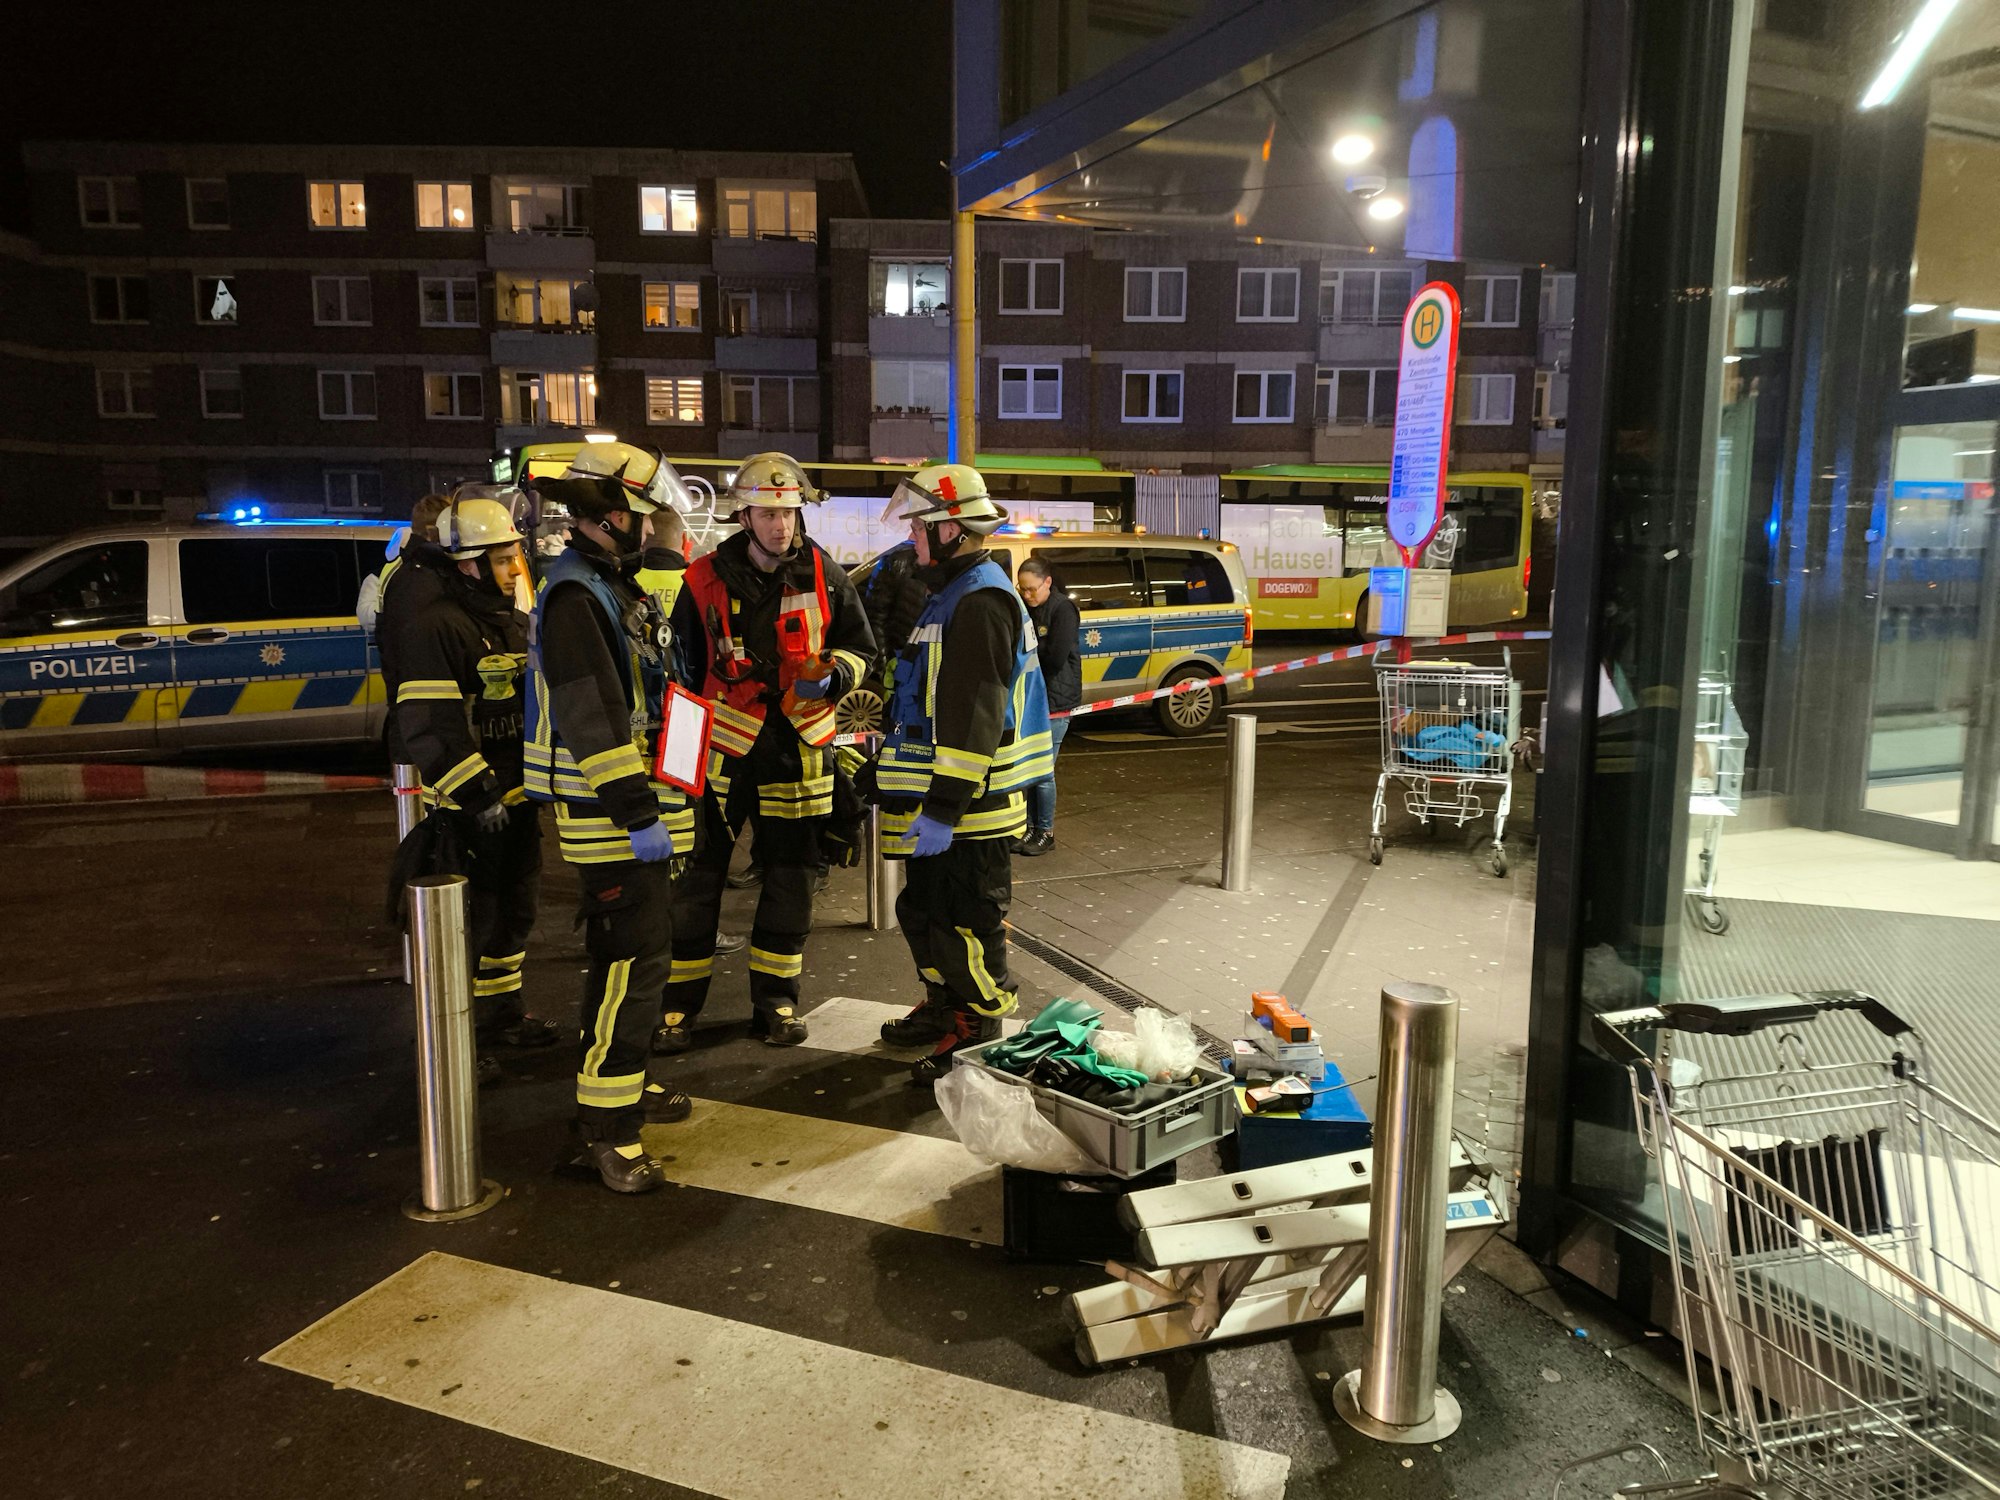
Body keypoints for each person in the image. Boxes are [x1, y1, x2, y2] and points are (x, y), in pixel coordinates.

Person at [524, 441, 701, 1194]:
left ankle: (627, 1085)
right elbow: (593, 718)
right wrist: (636, 811)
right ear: (612, 518)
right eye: (647, 515)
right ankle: (606, 1128)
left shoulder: (605, 582)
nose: (657, 528)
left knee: (642, 960)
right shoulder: (575, 597)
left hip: (640, 809)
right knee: (631, 965)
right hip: (612, 818)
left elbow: (655, 691)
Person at [659, 453, 876, 1055]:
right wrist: (676, 769)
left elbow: (862, 648)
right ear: (744, 516)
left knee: (791, 880)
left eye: (789, 513)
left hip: (798, 749)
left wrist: (830, 678)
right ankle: (678, 1008)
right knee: (699, 880)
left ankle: (776, 1002)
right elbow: (682, 676)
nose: (781, 525)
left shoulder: (823, 572)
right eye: (768, 514)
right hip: (722, 753)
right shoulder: (701, 578)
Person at [871, 464, 1053, 1083]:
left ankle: (978, 1039)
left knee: (967, 926)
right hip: (943, 806)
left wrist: (944, 808)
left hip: (972, 809)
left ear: (952, 529)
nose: (912, 539)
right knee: (923, 913)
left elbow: (976, 715)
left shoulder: (979, 600)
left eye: (921, 527)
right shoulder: (952, 592)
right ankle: (945, 1009)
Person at [385, 489, 560, 1073]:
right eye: (504, 559)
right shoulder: (439, 627)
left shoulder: (508, 618)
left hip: (517, 799)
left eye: (516, 556)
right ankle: (458, 1042)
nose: (516, 569)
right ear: (468, 564)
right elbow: (430, 725)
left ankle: (501, 1018)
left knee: (516, 912)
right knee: (471, 925)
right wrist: (477, 794)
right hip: (470, 806)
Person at [1013, 556, 1080, 856]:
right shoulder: (1027, 609)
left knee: (1043, 771)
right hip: (1033, 697)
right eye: (1022, 589)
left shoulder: (1063, 609)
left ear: (1047, 583)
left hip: (1055, 698)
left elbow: (1054, 658)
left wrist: (1030, 652)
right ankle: (1029, 828)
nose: (1027, 596)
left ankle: (1045, 831)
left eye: (1031, 590)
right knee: (1029, 769)